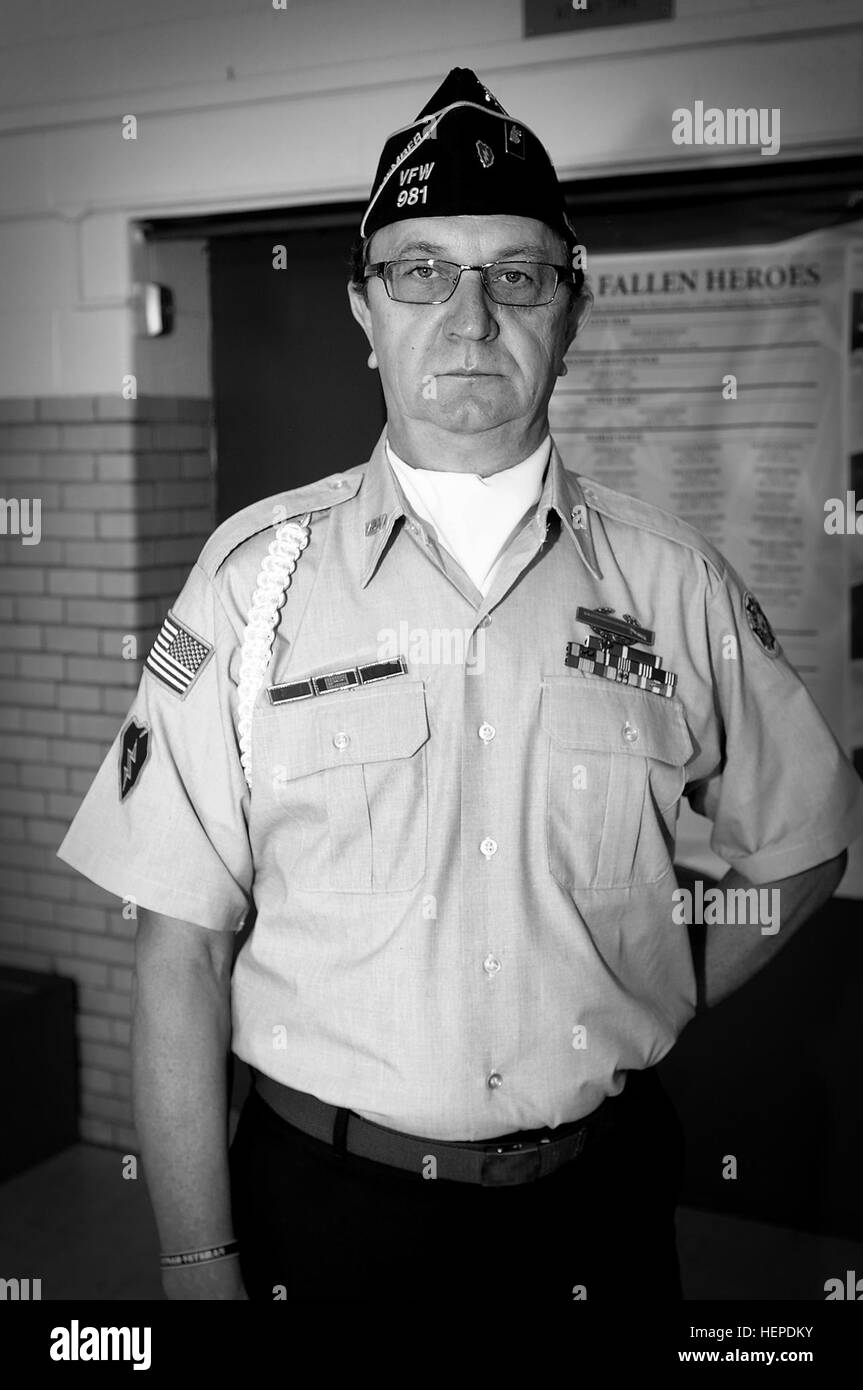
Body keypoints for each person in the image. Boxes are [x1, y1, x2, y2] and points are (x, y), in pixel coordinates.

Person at [58, 67, 862, 1303]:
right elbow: (176, 956)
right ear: (362, 308)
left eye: (516, 274)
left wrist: (660, 975)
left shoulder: (673, 583)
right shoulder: (250, 579)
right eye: (420, 270)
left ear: (570, 307)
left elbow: (803, 834)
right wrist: (194, 1265)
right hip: (321, 1214)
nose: (470, 316)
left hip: (594, 1214)